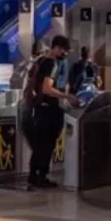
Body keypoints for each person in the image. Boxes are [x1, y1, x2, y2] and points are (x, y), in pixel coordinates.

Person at [26, 35, 80, 188]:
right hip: (49, 108)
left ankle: (33, 175)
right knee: (47, 143)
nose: (65, 54)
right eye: (64, 50)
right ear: (56, 48)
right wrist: (67, 96)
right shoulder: (52, 64)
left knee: (39, 143)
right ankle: (41, 176)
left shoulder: (40, 60)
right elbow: (47, 88)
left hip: (37, 106)